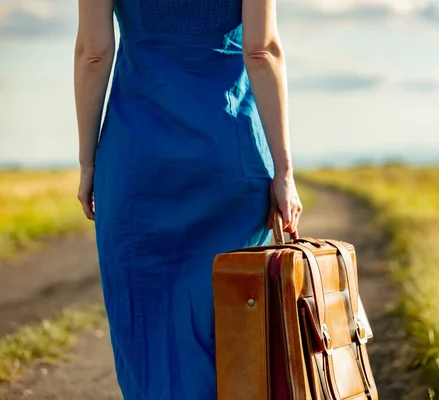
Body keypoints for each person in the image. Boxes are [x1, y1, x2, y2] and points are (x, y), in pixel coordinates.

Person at [73, 0, 302, 398]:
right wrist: (284, 172)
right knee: (235, 325)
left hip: (136, 163)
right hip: (230, 156)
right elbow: (262, 51)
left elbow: (94, 54)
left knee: (144, 329)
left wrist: (88, 162)